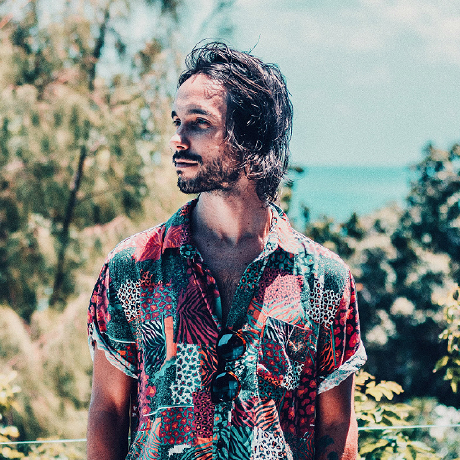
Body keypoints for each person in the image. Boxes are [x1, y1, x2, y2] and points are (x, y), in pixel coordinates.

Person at [87, 41, 367, 460]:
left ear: (250, 137)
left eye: (198, 123)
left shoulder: (324, 279)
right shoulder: (134, 267)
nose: (177, 139)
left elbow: (336, 426)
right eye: (177, 121)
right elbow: (108, 410)